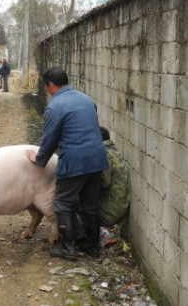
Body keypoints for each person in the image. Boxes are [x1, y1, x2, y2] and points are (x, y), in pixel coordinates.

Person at [26, 66, 108, 258]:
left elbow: (49, 140)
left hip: (75, 160)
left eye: (47, 87)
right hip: (97, 158)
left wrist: (38, 159)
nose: (47, 90)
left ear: (51, 85)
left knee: (63, 203)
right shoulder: (86, 99)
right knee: (90, 204)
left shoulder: (56, 106)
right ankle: (92, 246)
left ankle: (68, 247)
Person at [97, 126, 131, 227]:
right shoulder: (113, 150)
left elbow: (105, 182)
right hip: (119, 209)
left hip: (109, 214)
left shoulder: (103, 153)